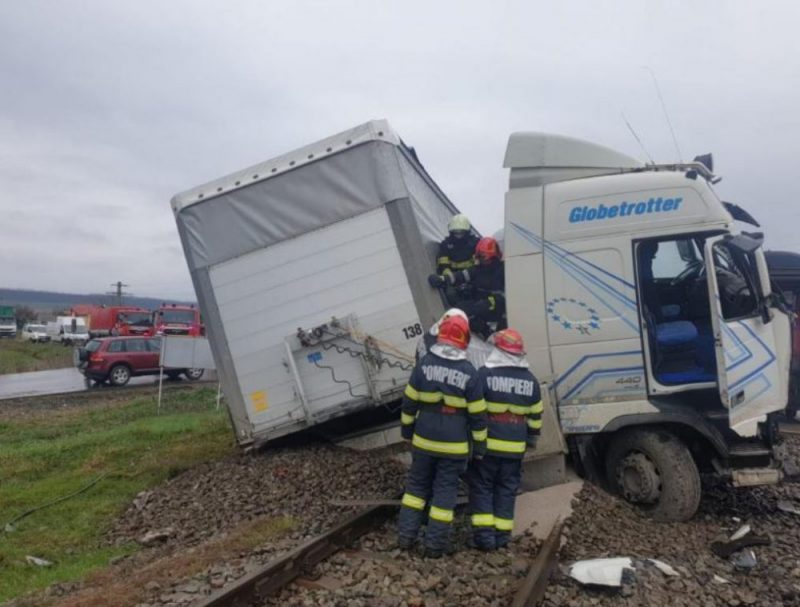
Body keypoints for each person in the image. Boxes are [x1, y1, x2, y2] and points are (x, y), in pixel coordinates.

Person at [397, 315, 487, 558]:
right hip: (454, 447)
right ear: (464, 340)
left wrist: (407, 432)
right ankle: (435, 546)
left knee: (416, 488)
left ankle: (405, 537)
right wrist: (479, 447)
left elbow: (408, 403)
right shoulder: (469, 372)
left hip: (424, 442)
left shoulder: (424, 364)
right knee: (444, 493)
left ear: (440, 336)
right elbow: (478, 416)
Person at [468, 328, 542, 551]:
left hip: (488, 446)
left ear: (498, 350)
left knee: (482, 488)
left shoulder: (483, 375)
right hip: (515, 447)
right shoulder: (531, 381)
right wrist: (530, 440)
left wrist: (474, 441)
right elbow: (535, 417)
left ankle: (484, 538)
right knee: (507, 490)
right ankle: (502, 537)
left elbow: (475, 411)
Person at [429, 236, 506, 338]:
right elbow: (461, 276)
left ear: (492, 256)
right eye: (478, 256)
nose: (479, 259)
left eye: (482, 256)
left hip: (498, 310)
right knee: (460, 310)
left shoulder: (503, 270)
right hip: (479, 305)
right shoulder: (478, 269)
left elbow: (508, 295)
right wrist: (442, 279)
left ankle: (489, 334)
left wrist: (489, 302)